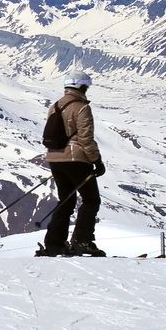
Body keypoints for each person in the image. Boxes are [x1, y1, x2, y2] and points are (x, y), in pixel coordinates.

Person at [39, 70, 106, 256]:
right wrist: (97, 161)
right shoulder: (82, 107)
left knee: (66, 201)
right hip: (76, 159)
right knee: (91, 199)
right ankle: (82, 241)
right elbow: (86, 139)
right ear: (81, 86)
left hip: (54, 158)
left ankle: (54, 243)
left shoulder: (55, 106)